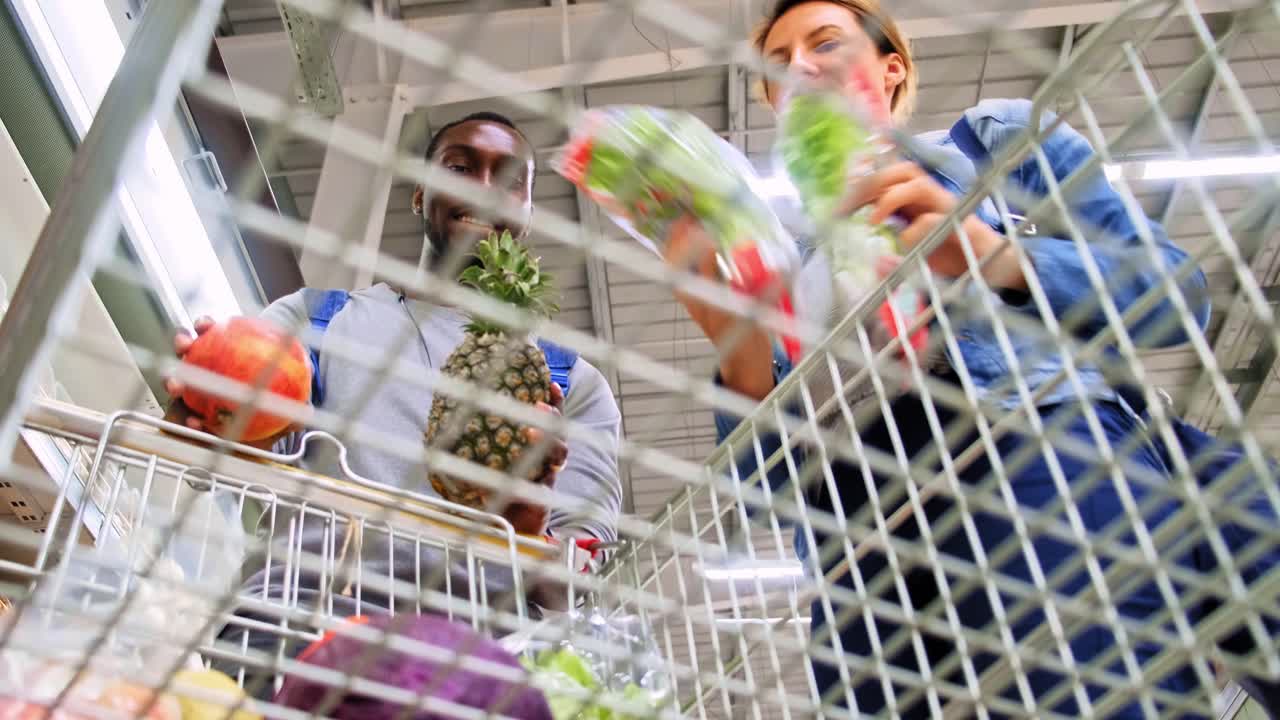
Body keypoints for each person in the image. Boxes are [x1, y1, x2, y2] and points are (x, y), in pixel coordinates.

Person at [666, 1, 1277, 717]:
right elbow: (763, 490)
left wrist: (995, 256)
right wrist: (737, 344)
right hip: (862, 550)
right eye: (777, 66)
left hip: (1027, 451)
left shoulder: (992, 147)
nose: (798, 67)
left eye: (825, 43)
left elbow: (1175, 295)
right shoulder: (772, 258)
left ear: (891, 69)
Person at [165, 112, 623, 690]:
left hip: (476, 666)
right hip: (293, 631)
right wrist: (205, 410)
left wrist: (528, 529)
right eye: (459, 168)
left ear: (528, 211)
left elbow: (576, 586)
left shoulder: (570, 383)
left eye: (509, 180)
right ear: (419, 193)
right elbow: (226, 448)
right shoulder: (313, 322)